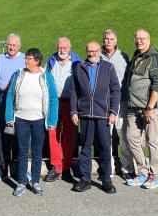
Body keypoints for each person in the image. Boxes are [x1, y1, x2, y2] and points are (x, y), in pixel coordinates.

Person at [5, 48, 58, 196]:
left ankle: (35, 181)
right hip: (21, 119)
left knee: (37, 152)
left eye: (29, 59)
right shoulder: (19, 74)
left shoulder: (45, 76)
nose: (26, 61)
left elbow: (53, 98)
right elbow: (10, 96)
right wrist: (9, 118)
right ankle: (22, 182)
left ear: (37, 61)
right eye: (26, 58)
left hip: (39, 120)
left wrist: (52, 120)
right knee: (22, 152)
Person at [70, 41, 120, 194]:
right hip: (85, 115)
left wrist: (113, 112)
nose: (91, 53)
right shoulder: (79, 68)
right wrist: (73, 111)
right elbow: (74, 91)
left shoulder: (108, 68)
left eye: (94, 50)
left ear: (100, 51)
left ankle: (106, 180)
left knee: (105, 147)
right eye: (89, 50)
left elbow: (115, 90)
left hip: (103, 114)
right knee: (85, 149)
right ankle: (85, 180)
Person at [126, 29, 158, 189]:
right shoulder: (136, 55)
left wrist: (150, 107)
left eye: (142, 38)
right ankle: (142, 172)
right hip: (133, 107)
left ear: (148, 39)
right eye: (137, 38)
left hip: (148, 109)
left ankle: (155, 175)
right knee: (131, 138)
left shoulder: (154, 58)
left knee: (152, 142)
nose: (139, 41)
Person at [44, 37, 82, 183]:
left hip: (70, 103)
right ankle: (57, 166)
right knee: (53, 133)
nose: (62, 50)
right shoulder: (51, 60)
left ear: (69, 48)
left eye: (65, 47)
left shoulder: (76, 61)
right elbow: (46, 79)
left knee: (69, 135)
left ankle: (67, 165)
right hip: (54, 103)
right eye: (60, 47)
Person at [99, 29, 134, 180]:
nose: (108, 41)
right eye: (106, 39)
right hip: (103, 103)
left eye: (111, 39)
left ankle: (127, 169)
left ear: (116, 41)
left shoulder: (123, 56)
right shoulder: (98, 56)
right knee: (106, 137)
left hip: (121, 101)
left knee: (124, 135)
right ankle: (108, 169)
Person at [0, 33, 25, 181]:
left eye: (14, 45)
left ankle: (20, 170)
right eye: (9, 45)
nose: (11, 47)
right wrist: (5, 86)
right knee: (3, 138)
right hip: (2, 102)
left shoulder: (25, 59)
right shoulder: (0, 58)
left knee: (19, 138)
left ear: (19, 46)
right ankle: (2, 170)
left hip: (19, 104)